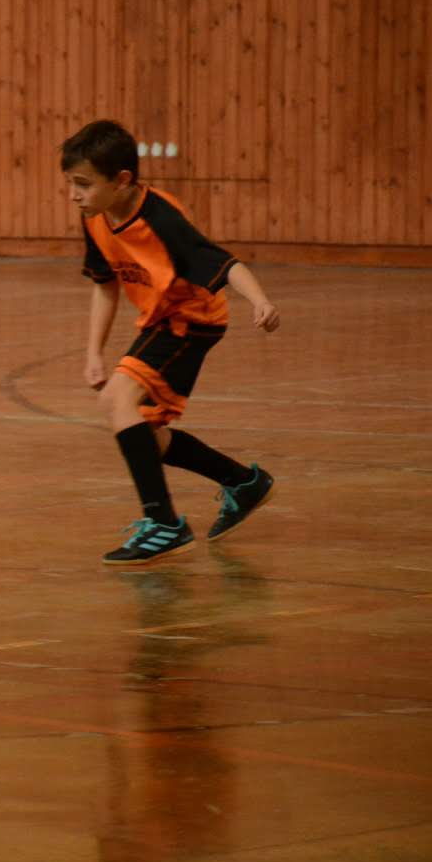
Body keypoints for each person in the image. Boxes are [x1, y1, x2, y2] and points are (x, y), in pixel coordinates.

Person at [62, 119, 279, 566]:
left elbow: (224, 263)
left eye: (83, 184)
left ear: (122, 180)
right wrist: (92, 354)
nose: (74, 195)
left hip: (190, 319)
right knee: (145, 434)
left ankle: (164, 524)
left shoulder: (162, 220)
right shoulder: (96, 219)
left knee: (118, 403)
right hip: (158, 321)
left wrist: (259, 300)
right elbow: (105, 285)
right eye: (69, 184)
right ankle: (241, 481)